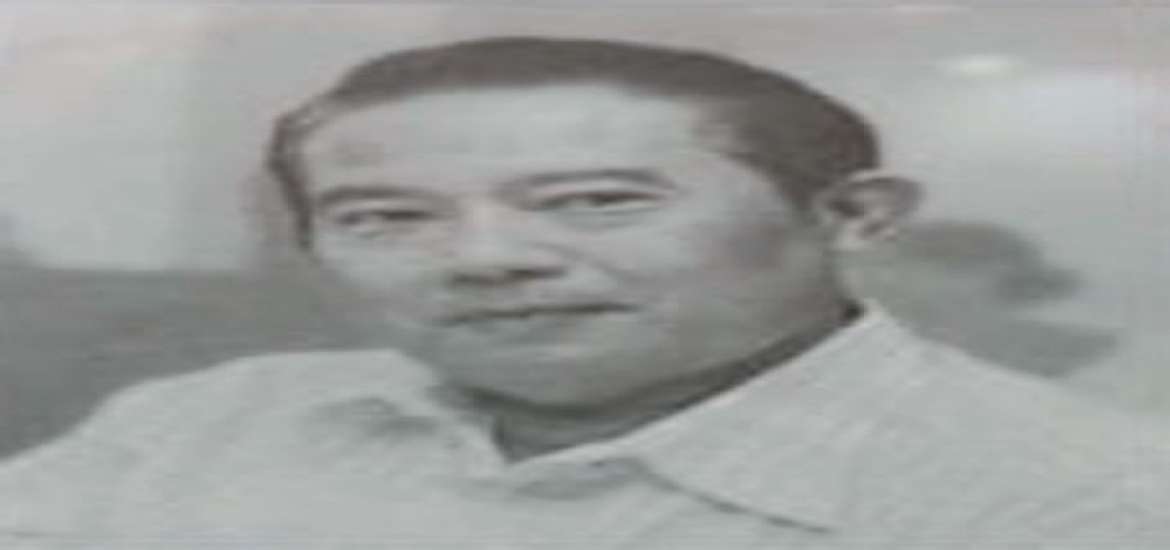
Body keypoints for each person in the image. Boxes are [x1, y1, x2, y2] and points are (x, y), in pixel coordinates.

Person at [2, 36, 1167, 549]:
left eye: (597, 201)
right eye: (386, 218)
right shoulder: (206, 423)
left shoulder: (1073, 500)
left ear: (853, 216)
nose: (484, 259)